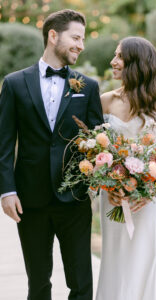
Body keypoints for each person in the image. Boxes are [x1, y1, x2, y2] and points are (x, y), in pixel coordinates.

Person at [0, 9, 103, 300]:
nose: (81, 45)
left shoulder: (88, 87)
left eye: (82, 39)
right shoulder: (15, 83)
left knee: (81, 284)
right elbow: (4, 143)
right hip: (30, 200)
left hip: (75, 200)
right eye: (76, 37)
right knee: (39, 284)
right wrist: (7, 190)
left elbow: (98, 142)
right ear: (53, 35)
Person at [96, 37, 156, 300]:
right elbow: (96, 150)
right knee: (115, 257)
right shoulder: (106, 101)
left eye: (119, 56)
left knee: (144, 258)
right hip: (113, 197)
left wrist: (147, 191)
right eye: (114, 55)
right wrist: (109, 184)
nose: (113, 61)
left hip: (148, 200)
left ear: (136, 62)